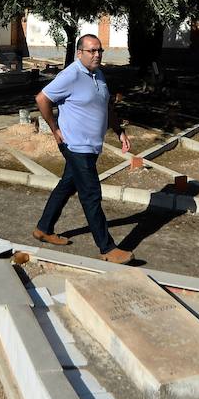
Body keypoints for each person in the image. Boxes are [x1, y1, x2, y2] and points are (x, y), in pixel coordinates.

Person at [32, 34, 133, 263]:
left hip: (91, 146)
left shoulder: (98, 74)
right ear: (80, 53)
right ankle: (107, 248)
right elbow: (42, 99)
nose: (97, 55)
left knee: (67, 185)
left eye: (100, 51)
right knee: (91, 194)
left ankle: (43, 228)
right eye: (92, 51)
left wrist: (119, 131)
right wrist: (55, 129)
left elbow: (106, 106)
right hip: (75, 146)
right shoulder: (71, 75)